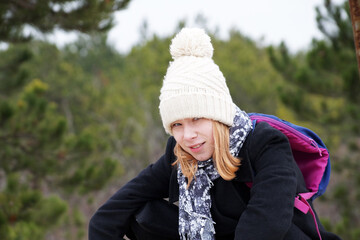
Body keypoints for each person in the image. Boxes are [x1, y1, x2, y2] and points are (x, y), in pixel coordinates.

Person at [88, 28, 341, 240]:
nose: (188, 135)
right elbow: (106, 217)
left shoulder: (266, 144)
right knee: (142, 214)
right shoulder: (180, 154)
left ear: (219, 116)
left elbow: (265, 226)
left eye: (197, 119)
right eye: (177, 125)